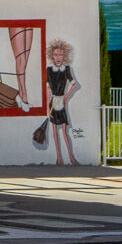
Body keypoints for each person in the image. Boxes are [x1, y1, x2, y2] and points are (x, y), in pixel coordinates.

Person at [40, 37, 82, 165]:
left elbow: (75, 85)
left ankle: (71, 157)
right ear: (52, 56)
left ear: (64, 56)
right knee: (54, 132)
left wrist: (66, 97)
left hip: (61, 102)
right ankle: (59, 158)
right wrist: (47, 107)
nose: (58, 57)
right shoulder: (49, 70)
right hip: (53, 102)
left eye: (60, 55)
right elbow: (48, 89)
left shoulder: (67, 70)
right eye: (56, 55)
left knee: (64, 131)